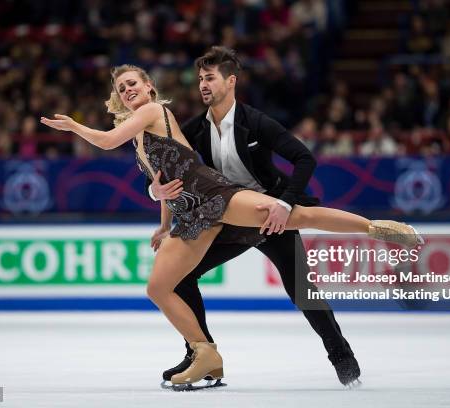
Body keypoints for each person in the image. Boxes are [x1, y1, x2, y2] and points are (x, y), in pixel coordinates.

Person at [40, 62, 422, 388]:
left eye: (133, 83)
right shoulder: (157, 128)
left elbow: (303, 159)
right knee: (161, 286)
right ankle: (204, 355)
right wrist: (161, 213)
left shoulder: (203, 116)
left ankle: (377, 232)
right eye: (122, 88)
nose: (127, 90)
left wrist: (75, 127)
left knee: (298, 254)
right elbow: (164, 180)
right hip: (194, 214)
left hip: (224, 198)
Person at [148, 46, 356, 388]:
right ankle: (202, 356)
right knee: (180, 277)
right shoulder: (195, 129)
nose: (203, 84)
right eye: (200, 78)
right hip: (227, 218)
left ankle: (344, 361)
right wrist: (154, 192)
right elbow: (158, 170)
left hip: (270, 215)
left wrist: (285, 204)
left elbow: (305, 159)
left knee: (302, 289)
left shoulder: (256, 122)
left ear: (231, 81)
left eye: (210, 78)